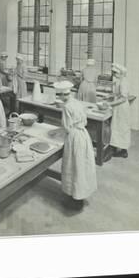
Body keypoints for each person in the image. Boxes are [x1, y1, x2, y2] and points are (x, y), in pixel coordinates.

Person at [54, 80, 97, 210]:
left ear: (61, 95)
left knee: (73, 165)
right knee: (82, 165)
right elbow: (84, 120)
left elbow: (67, 126)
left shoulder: (66, 107)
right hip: (83, 135)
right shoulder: (77, 102)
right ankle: (80, 194)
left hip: (74, 137)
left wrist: (61, 133)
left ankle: (75, 199)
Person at [109, 63, 131, 158]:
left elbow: (123, 98)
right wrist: (111, 96)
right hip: (118, 107)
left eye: (115, 73)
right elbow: (118, 94)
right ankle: (115, 146)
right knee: (116, 126)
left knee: (122, 127)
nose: (114, 75)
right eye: (113, 73)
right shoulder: (119, 80)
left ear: (120, 73)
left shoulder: (124, 82)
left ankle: (123, 150)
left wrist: (110, 104)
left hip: (122, 107)